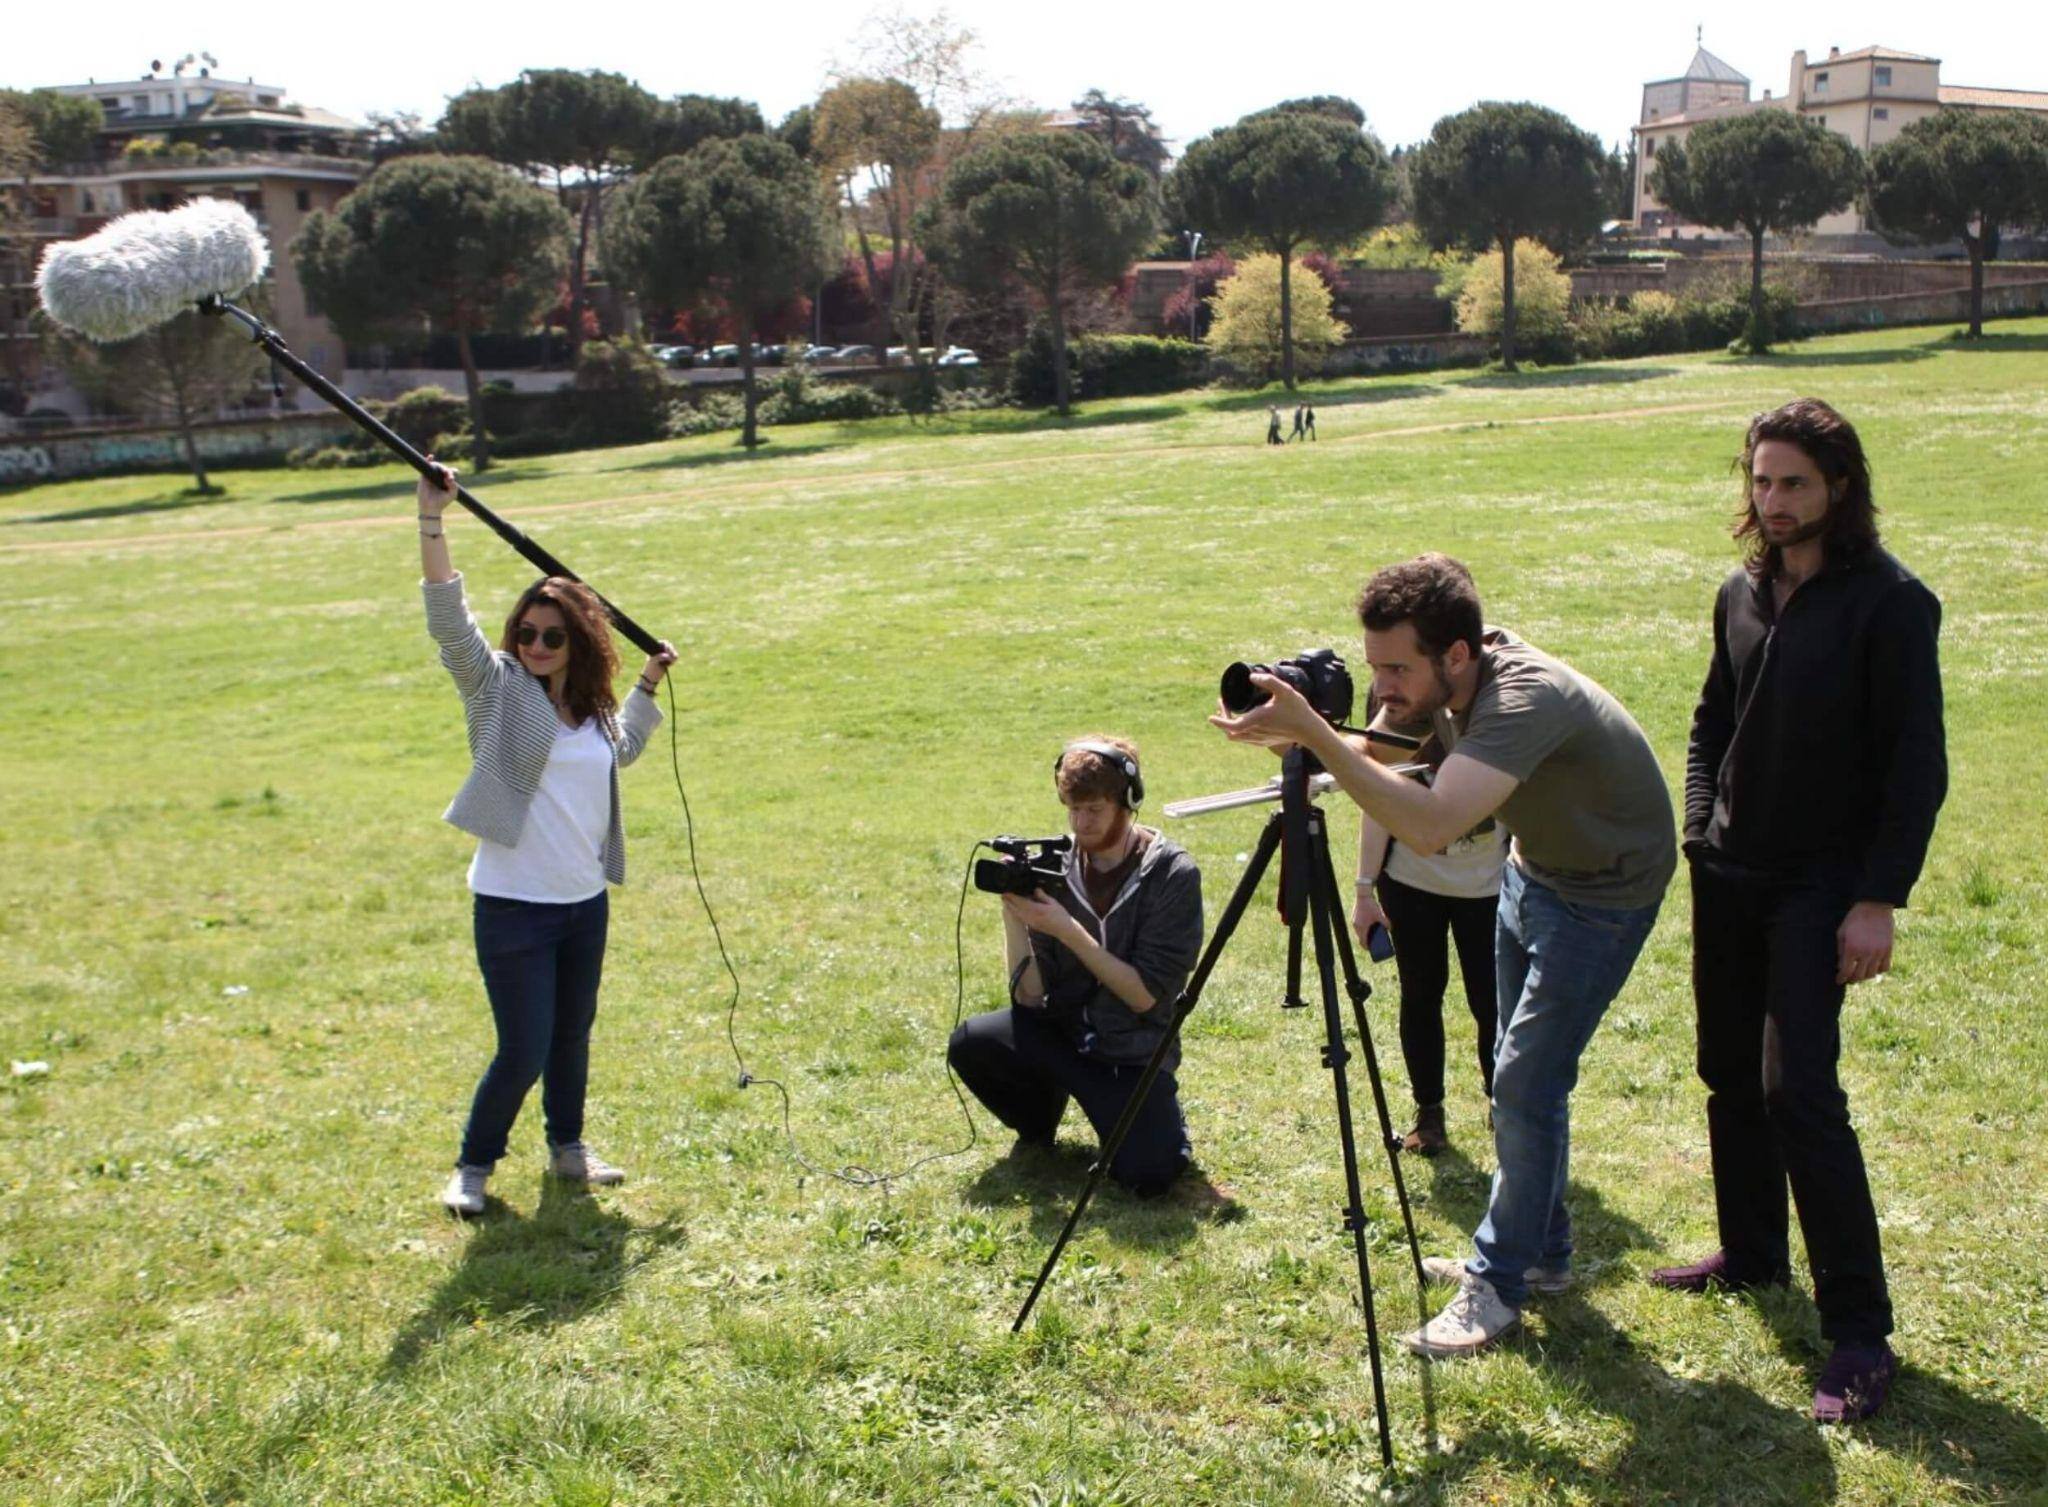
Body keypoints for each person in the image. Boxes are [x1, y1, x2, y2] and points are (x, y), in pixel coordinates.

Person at [1211, 553, 1675, 1356]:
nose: (1383, 688)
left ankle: (1497, 1282)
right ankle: (1545, 1255)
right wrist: (1298, 735)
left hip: (1605, 892)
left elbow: (1428, 823)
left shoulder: (1522, 697)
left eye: (1397, 668)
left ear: (1455, 655)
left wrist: (1318, 734)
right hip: (1534, 872)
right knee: (1515, 1074)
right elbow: (1388, 756)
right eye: (1374, 667)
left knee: (1527, 1080)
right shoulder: (1454, 673)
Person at [1654, 399, 1946, 1424]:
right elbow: (1708, 720)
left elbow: (1916, 767)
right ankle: (1750, 1254)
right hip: (1725, 871)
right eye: (1760, 481)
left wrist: (1875, 900)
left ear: (1839, 488)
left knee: (1797, 1091)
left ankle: (1858, 1334)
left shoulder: (1890, 604)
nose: (1771, 503)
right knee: (1726, 1071)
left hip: (1820, 886)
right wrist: (1698, 829)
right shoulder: (1744, 588)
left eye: (1792, 484)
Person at [415, 463, 677, 1217]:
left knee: (571, 1035)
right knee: (523, 1046)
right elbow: (447, 621)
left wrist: (649, 684)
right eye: (525, 632)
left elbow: (621, 749)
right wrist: (432, 519)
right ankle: (473, 1165)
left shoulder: (593, 709)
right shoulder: (498, 690)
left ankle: (569, 1148)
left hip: (581, 902)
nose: (534, 643)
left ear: (578, 642)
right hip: (512, 905)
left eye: (551, 635)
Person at [948, 738, 1206, 1196]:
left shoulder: (1171, 874)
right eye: (1072, 809)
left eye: (1094, 810)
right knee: (972, 1042)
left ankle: (1152, 1122)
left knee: (1149, 1175)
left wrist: (1067, 929)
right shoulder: (1057, 866)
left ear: (1129, 801)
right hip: (1063, 1035)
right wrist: (1016, 917)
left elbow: (1145, 995)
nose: (1081, 823)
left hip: (1131, 1053)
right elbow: (1030, 998)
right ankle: (1040, 1119)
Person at [1352, 697, 1507, 1155]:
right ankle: (1429, 1113)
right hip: (1411, 883)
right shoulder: (1397, 702)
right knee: (1420, 995)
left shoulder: (1498, 701)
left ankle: (1506, 1107)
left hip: (1490, 885)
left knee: (1494, 1000)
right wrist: (1364, 892)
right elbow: (1379, 797)